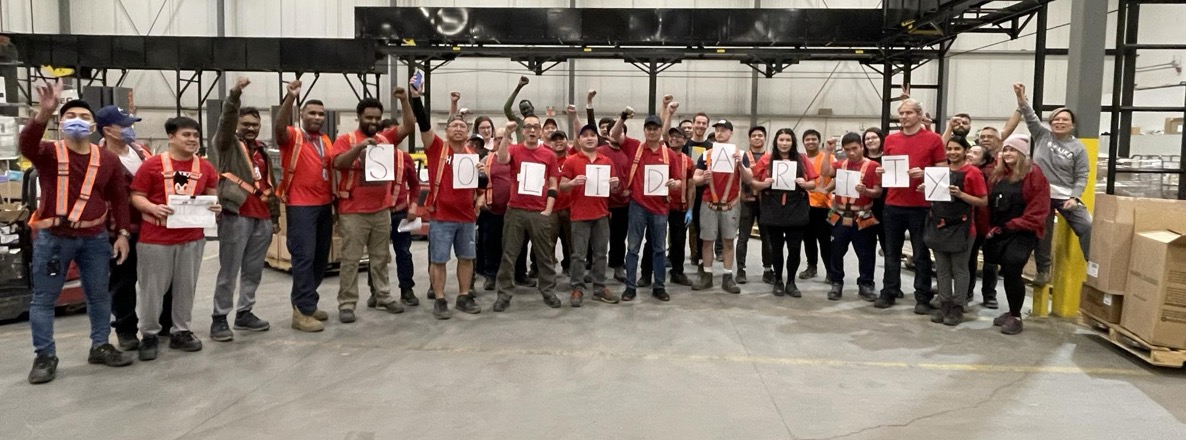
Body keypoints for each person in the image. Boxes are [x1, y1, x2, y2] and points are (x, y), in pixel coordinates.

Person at [23, 80, 134, 384]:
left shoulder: (108, 160)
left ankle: (100, 345)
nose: (78, 120)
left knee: (99, 296)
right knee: (44, 299)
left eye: (85, 117)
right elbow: (26, 144)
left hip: (95, 239)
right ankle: (45, 355)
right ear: (60, 123)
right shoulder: (46, 153)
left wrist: (122, 233)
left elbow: (119, 198)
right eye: (70, 115)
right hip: (54, 239)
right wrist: (42, 113)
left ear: (95, 126)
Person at [130, 116, 221, 360]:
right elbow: (136, 195)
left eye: (195, 135)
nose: (192, 140)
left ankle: (181, 331)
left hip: (191, 239)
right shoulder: (151, 166)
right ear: (171, 137)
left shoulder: (205, 167)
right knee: (152, 290)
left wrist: (215, 207)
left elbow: (212, 196)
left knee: (186, 288)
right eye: (186, 135)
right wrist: (151, 207)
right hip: (155, 238)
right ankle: (149, 334)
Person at [95, 104, 173, 350]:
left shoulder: (142, 152)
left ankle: (165, 323)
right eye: (125, 125)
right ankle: (126, 330)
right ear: (108, 130)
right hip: (118, 230)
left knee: (160, 279)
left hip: (152, 226)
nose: (131, 129)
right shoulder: (98, 157)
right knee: (123, 281)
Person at [206, 77, 277, 342]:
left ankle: (245, 311)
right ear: (237, 125)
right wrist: (235, 95)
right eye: (246, 124)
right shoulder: (226, 145)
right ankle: (219, 317)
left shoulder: (263, 151)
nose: (250, 128)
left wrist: (275, 218)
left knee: (253, 269)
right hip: (236, 215)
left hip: (262, 218)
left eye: (255, 125)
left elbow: (271, 183)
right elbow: (225, 123)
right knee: (229, 269)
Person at [411, 83, 483, 318]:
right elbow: (423, 123)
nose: (459, 129)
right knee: (439, 259)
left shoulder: (473, 156)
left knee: (467, 258)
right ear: (447, 131)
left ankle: (463, 295)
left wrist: (482, 175)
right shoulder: (437, 148)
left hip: (467, 217)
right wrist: (416, 98)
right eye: (454, 126)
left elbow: (480, 186)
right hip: (441, 216)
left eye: (463, 126)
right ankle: (440, 299)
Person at [330, 97, 401, 323]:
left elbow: (408, 127)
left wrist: (406, 100)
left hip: (381, 210)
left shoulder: (384, 140)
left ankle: (383, 295)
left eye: (377, 118)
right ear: (359, 117)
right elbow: (338, 163)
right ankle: (347, 303)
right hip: (353, 211)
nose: (373, 121)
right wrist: (359, 147)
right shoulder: (346, 139)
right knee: (350, 259)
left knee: (380, 257)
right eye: (369, 117)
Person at [1013, 83, 1092, 286]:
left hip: (1066, 196)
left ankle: (1092, 263)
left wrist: (1074, 197)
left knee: (1087, 225)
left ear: (1072, 124)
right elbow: (1029, 116)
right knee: (1042, 233)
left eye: (1064, 119)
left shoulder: (1078, 148)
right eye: (1056, 119)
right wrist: (1021, 98)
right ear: (1050, 123)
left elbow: (1082, 174)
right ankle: (1043, 272)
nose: (1059, 122)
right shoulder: (1042, 135)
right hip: (1040, 195)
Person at [874, 99, 947, 314]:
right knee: (891, 252)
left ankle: (922, 296)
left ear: (919, 115)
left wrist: (924, 173)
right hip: (893, 203)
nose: (904, 117)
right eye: (901, 113)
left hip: (920, 205)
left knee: (920, 254)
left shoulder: (933, 139)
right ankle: (889, 291)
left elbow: (943, 169)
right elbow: (888, 165)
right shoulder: (890, 139)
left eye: (908, 113)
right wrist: (881, 172)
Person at [273, 80, 334, 332]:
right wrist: (290, 97)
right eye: (312, 113)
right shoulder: (293, 137)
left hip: (324, 206)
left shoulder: (327, 140)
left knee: (320, 259)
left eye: (321, 114)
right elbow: (279, 127)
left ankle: (308, 301)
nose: (317, 117)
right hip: (301, 206)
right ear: (301, 115)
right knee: (304, 258)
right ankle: (301, 311)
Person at [610, 111, 685, 302]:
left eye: (655, 129)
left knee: (659, 248)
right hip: (637, 206)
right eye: (649, 128)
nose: (652, 132)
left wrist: (674, 184)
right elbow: (614, 134)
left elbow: (678, 180)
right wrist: (623, 117)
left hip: (660, 208)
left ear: (661, 131)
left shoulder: (669, 154)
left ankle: (659, 286)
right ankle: (630, 287)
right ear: (644, 130)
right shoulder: (634, 147)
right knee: (633, 247)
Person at [494, 114, 562, 312]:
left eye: (535, 127)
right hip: (515, 211)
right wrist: (506, 134)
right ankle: (504, 294)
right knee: (509, 254)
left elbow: (553, 183)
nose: (532, 130)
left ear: (540, 131)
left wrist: (548, 209)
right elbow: (501, 158)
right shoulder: (514, 150)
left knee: (545, 255)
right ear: (522, 131)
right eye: (528, 127)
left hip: (539, 212)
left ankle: (548, 290)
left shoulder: (548, 155)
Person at [985, 135, 1050, 335]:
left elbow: (1038, 210)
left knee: (1013, 268)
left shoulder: (1034, 175)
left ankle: (1016, 316)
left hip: (1023, 232)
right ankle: (1012, 310)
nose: (1008, 154)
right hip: (1000, 231)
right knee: (1005, 270)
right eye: (1005, 150)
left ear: (1022, 153)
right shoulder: (997, 176)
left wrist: (1013, 225)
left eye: (1013, 150)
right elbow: (987, 204)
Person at [922, 137, 987, 326]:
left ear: (965, 150)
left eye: (956, 148)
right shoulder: (939, 173)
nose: (952, 152)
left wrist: (961, 195)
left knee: (959, 269)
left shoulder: (973, 173)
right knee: (941, 269)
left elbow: (983, 201)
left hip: (963, 228)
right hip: (939, 226)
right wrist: (926, 189)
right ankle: (944, 303)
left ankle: (958, 306)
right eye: (949, 149)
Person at [749, 128, 817, 296]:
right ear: (776, 142)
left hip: (796, 208)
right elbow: (753, 182)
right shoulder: (766, 159)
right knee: (776, 248)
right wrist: (764, 184)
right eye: (781, 140)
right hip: (773, 207)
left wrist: (804, 183)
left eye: (788, 140)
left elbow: (814, 184)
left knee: (794, 248)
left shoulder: (802, 160)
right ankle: (778, 280)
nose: (784, 143)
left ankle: (791, 282)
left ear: (793, 142)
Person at [561, 124, 621, 306]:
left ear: (598, 139)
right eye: (585, 135)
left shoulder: (606, 161)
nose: (589, 138)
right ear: (579, 140)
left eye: (592, 135)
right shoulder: (571, 161)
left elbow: (613, 188)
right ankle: (577, 288)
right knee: (579, 255)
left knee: (601, 254)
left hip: (601, 214)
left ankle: (599, 287)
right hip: (579, 215)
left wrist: (614, 184)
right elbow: (562, 185)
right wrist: (572, 183)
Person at [691, 120, 752, 293]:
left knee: (728, 241)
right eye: (717, 130)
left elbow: (748, 179)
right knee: (707, 241)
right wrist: (703, 178)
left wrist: (741, 164)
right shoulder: (706, 155)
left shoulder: (741, 155)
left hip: (730, 204)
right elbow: (695, 178)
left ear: (731, 133)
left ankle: (727, 277)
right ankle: (707, 276)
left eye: (724, 130)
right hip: (708, 203)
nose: (719, 133)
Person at [825, 133, 882, 301]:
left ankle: (866, 284)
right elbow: (824, 172)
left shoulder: (873, 166)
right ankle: (836, 282)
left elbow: (878, 192)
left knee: (866, 252)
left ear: (862, 147)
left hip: (862, 215)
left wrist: (866, 191)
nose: (851, 153)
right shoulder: (840, 164)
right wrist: (828, 151)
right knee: (836, 251)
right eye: (847, 149)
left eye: (854, 149)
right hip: (841, 214)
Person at [381, 89, 421, 308]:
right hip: (378, 214)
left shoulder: (404, 158)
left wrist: (413, 205)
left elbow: (414, 186)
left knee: (403, 252)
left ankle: (407, 288)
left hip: (400, 213)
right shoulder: (371, 158)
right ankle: (376, 291)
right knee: (378, 256)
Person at [640, 124, 694, 287]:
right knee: (652, 240)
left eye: (678, 136)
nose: (674, 138)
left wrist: (690, 209)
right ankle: (646, 274)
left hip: (679, 207)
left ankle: (677, 272)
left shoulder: (688, 162)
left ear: (685, 141)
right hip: (659, 207)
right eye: (672, 136)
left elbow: (691, 186)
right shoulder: (660, 155)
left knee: (678, 242)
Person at [736, 126, 773, 285]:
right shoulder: (742, 156)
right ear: (749, 139)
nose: (757, 138)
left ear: (765, 138)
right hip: (747, 201)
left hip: (766, 203)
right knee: (743, 237)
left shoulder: (772, 157)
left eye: (760, 135)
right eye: (754, 136)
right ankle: (740, 270)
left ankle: (767, 270)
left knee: (767, 238)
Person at [966, 144, 999, 309]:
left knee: (990, 261)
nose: (971, 154)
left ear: (985, 159)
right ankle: (967, 291)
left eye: (976, 153)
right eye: (970, 151)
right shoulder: (964, 172)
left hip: (988, 223)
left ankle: (989, 295)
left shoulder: (992, 176)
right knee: (968, 259)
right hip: (970, 223)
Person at [799, 129, 834, 281]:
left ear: (818, 142)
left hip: (824, 206)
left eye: (814, 139)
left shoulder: (828, 157)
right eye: (807, 139)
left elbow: (835, 176)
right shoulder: (800, 159)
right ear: (803, 142)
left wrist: (827, 190)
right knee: (808, 239)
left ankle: (830, 271)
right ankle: (811, 267)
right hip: (805, 205)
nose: (811, 142)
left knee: (825, 240)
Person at [548, 130, 575, 275]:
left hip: (570, 208)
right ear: (550, 143)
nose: (558, 142)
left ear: (567, 141)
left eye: (561, 138)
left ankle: (573, 271)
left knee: (572, 243)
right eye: (555, 139)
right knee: (548, 244)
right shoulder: (546, 160)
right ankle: (548, 272)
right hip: (551, 208)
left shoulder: (573, 159)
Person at [862, 127, 888, 256]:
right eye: (867, 138)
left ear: (881, 139)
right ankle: (866, 276)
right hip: (865, 207)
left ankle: (889, 276)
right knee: (866, 245)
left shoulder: (889, 159)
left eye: (874, 137)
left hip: (885, 206)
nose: (870, 140)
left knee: (887, 244)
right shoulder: (860, 160)